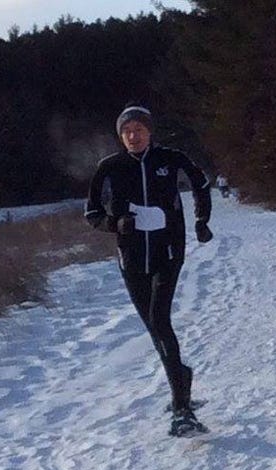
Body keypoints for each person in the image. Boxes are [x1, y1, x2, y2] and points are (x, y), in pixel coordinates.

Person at [85, 103, 213, 437]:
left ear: (149, 131)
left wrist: (201, 219)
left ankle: (182, 408)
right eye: (127, 131)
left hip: (168, 253)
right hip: (131, 260)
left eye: (139, 129)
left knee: (160, 320)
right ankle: (180, 379)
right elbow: (92, 213)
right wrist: (115, 223)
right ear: (120, 135)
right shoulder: (109, 167)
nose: (133, 135)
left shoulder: (171, 159)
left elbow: (201, 183)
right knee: (154, 328)